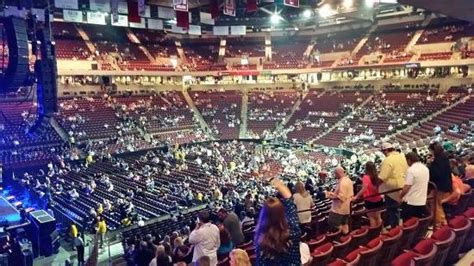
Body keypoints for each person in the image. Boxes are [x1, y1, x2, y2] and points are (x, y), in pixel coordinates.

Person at [254, 177, 301, 265]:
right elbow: (289, 198)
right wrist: (273, 180)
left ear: (263, 216)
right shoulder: (294, 228)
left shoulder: (260, 240)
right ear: (282, 212)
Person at [379, 142, 408, 228]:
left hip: (392, 191)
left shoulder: (388, 160)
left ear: (386, 150)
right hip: (403, 186)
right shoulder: (402, 157)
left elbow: (382, 177)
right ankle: (401, 227)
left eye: (383, 151)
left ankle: (395, 229)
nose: (383, 153)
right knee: (400, 210)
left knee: (393, 210)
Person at [428, 142, 452, 229]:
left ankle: (440, 225)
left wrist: (430, 165)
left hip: (440, 186)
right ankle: (439, 222)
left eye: (431, 150)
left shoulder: (438, 160)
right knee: (434, 203)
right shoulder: (443, 158)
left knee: (436, 205)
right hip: (444, 185)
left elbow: (436, 174)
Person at [353, 162, 383, 228]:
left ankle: (375, 233)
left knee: (372, 217)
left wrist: (356, 196)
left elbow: (364, 188)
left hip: (370, 199)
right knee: (378, 216)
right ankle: (380, 231)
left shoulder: (366, 177)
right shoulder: (377, 176)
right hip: (378, 199)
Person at [400, 152, 429, 221]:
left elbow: (407, 186)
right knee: (418, 223)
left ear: (409, 160)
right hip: (422, 200)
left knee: (408, 223)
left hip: (411, 201)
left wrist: (400, 196)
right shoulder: (425, 168)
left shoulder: (411, 170)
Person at [327, 167, 354, 234]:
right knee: (344, 223)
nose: (334, 175)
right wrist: (333, 194)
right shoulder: (348, 180)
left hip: (339, 208)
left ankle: (344, 235)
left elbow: (341, 197)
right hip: (346, 207)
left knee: (332, 222)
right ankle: (347, 237)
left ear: (338, 173)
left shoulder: (343, 183)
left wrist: (330, 196)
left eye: (335, 174)